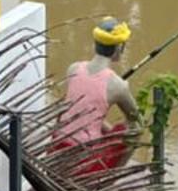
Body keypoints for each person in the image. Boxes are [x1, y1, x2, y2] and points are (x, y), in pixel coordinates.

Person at [56, 16, 141, 174]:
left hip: (57, 151)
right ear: (118, 48)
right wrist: (111, 134)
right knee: (133, 132)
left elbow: (82, 110)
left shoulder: (73, 68)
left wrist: (108, 133)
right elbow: (136, 120)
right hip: (85, 162)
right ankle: (110, 177)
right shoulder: (118, 85)